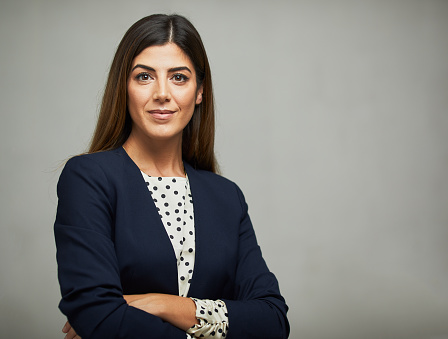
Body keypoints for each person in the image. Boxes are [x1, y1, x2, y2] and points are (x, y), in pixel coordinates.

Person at [54, 14, 290, 339]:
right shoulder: (88, 179)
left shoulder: (226, 197)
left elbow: (272, 320)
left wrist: (162, 304)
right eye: (144, 77)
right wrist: (214, 325)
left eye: (178, 77)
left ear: (199, 92)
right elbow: (97, 314)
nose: (162, 93)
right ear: (124, 87)